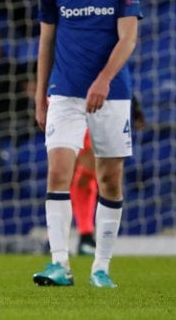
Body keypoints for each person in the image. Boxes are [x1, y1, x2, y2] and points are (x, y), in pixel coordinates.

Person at [32, 0, 143, 288]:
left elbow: (128, 38)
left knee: (109, 180)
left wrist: (104, 79)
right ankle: (59, 264)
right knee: (58, 172)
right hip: (64, 92)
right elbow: (46, 41)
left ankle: (101, 267)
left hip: (111, 94)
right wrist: (39, 94)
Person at [71, 94, 146, 256]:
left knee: (88, 175)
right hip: (72, 101)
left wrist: (135, 105)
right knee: (73, 174)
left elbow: (117, 71)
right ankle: (76, 236)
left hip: (103, 105)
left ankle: (84, 237)